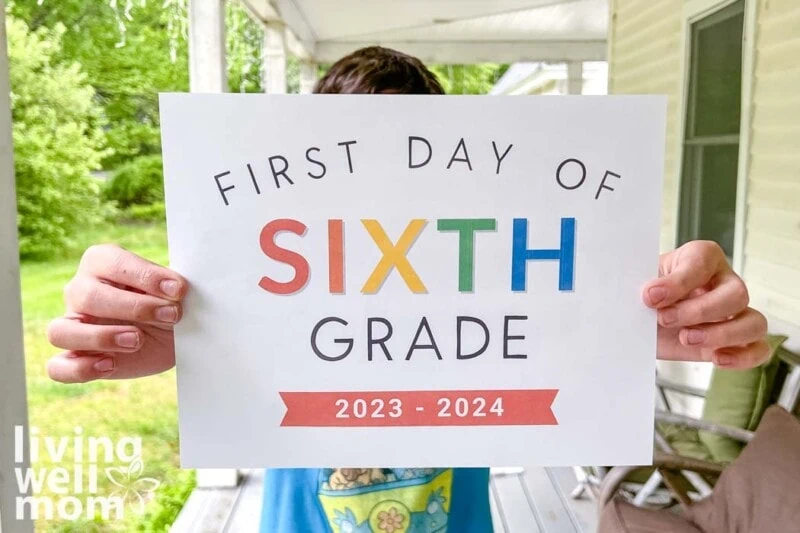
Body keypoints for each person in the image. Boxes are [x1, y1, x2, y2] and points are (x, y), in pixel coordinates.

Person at [47, 47, 770, 533]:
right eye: (355, 154)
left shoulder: (488, 264)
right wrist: (150, 319)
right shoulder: (264, 274)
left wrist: (654, 315)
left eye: (409, 154)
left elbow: (571, 310)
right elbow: (196, 317)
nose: (384, 182)